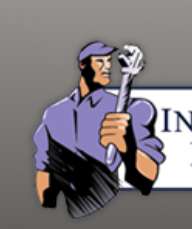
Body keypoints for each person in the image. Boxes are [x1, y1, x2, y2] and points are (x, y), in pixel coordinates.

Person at [34, 42, 164, 216]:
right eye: (100, 61)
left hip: (113, 212)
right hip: (70, 216)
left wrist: (129, 148)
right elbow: (44, 170)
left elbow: (148, 177)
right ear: (83, 65)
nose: (108, 66)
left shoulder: (128, 110)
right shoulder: (53, 114)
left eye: (109, 61)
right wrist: (47, 213)